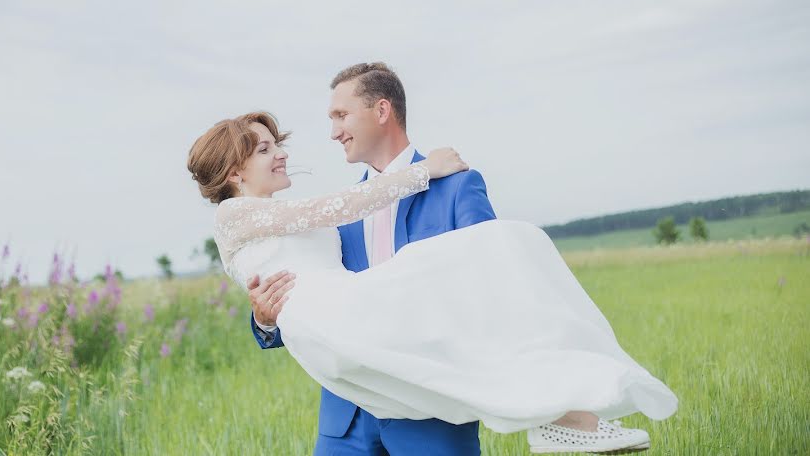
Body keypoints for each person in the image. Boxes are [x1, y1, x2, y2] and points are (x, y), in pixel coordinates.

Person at [187, 63, 677, 455]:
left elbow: (496, 287)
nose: (332, 132)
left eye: (340, 116)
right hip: (348, 413)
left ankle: (562, 414)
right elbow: (294, 272)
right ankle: (564, 419)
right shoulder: (327, 211)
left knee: (507, 247)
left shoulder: (458, 186)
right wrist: (264, 321)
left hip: (430, 417)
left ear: (381, 111)